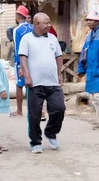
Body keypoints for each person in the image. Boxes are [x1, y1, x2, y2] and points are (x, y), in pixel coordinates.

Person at [19, 13, 65, 154]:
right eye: (46, 22)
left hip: (53, 83)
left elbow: (58, 56)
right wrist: (27, 76)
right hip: (35, 84)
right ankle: (35, 141)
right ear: (36, 24)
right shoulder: (26, 39)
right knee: (34, 114)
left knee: (59, 109)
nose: (49, 25)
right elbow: (23, 58)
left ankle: (51, 132)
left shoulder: (52, 38)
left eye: (49, 22)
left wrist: (59, 74)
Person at [11, 5, 32, 118]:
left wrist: (20, 67)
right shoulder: (33, 28)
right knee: (32, 85)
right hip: (33, 60)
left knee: (19, 85)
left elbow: (17, 48)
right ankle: (37, 110)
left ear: (18, 16)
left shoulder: (17, 30)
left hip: (21, 61)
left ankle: (19, 110)